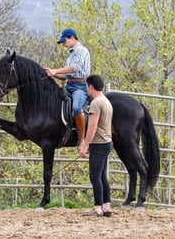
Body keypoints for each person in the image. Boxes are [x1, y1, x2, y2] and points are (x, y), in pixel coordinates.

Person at [45, 28, 90, 149]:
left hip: (80, 86)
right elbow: (65, 76)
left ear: (72, 38)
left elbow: (74, 68)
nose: (64, 44)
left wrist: (55, 70)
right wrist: (52, 74)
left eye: (64, 41)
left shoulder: (81, 51)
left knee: (76, 108)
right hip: (69, 85)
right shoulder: (71, 55)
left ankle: (82, 139)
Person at [79, 75, 113, 217]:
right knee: (102, 176)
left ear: (91, 86)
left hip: (99, 144)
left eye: (87, 86)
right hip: (107, 142)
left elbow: (92, 126)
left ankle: (98, 208)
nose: (87, 89)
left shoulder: (96, 103)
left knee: (94, 177)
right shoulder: (106, 101)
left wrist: (85, 145)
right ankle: (106, 207)